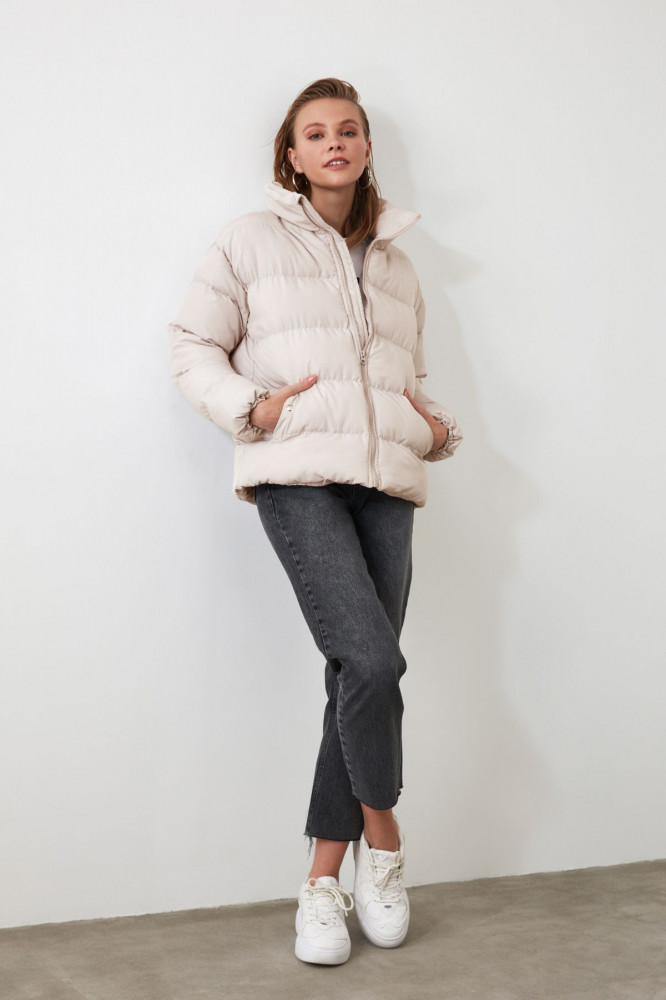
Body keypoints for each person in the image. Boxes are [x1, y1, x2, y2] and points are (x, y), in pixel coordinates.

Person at [167, 77, 462, 966]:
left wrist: (434, 428)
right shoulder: (248, 241)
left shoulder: (397, 264)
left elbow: (408, 377)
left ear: (367, 149)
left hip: (387, 486)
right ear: (291, 157)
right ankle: (386, 843)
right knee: (373, 662)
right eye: (316, 133)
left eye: (349, 131)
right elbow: (190, 344)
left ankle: (323, 881)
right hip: (298, 477)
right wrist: (251, 409)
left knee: (352, 679)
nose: (334, 142)